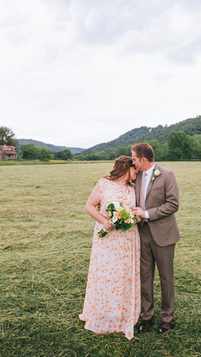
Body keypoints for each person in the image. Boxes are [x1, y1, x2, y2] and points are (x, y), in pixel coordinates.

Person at [79, 156, 141, 340]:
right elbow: (89, 206)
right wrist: (105, 221)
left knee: (124, 275)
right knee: (106, 275)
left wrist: (134, 216)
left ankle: (122, 314)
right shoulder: (104, 184)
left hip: (128, 239)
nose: (137, 171)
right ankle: (103, 312)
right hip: (107, 239)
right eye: (134, 168)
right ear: (126, 167)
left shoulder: (133, 188)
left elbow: (134, 210)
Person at [131, 142, 180, 335]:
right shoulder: (137, 176)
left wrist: (147, 214)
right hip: (142, 234)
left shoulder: (167, 175)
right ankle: (146, 317)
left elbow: (173, 204)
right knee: (145, 277)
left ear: (143, 159)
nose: (132, 162)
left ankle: (167, 318)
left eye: (134, 159)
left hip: (164, 234)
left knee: (166, 278)